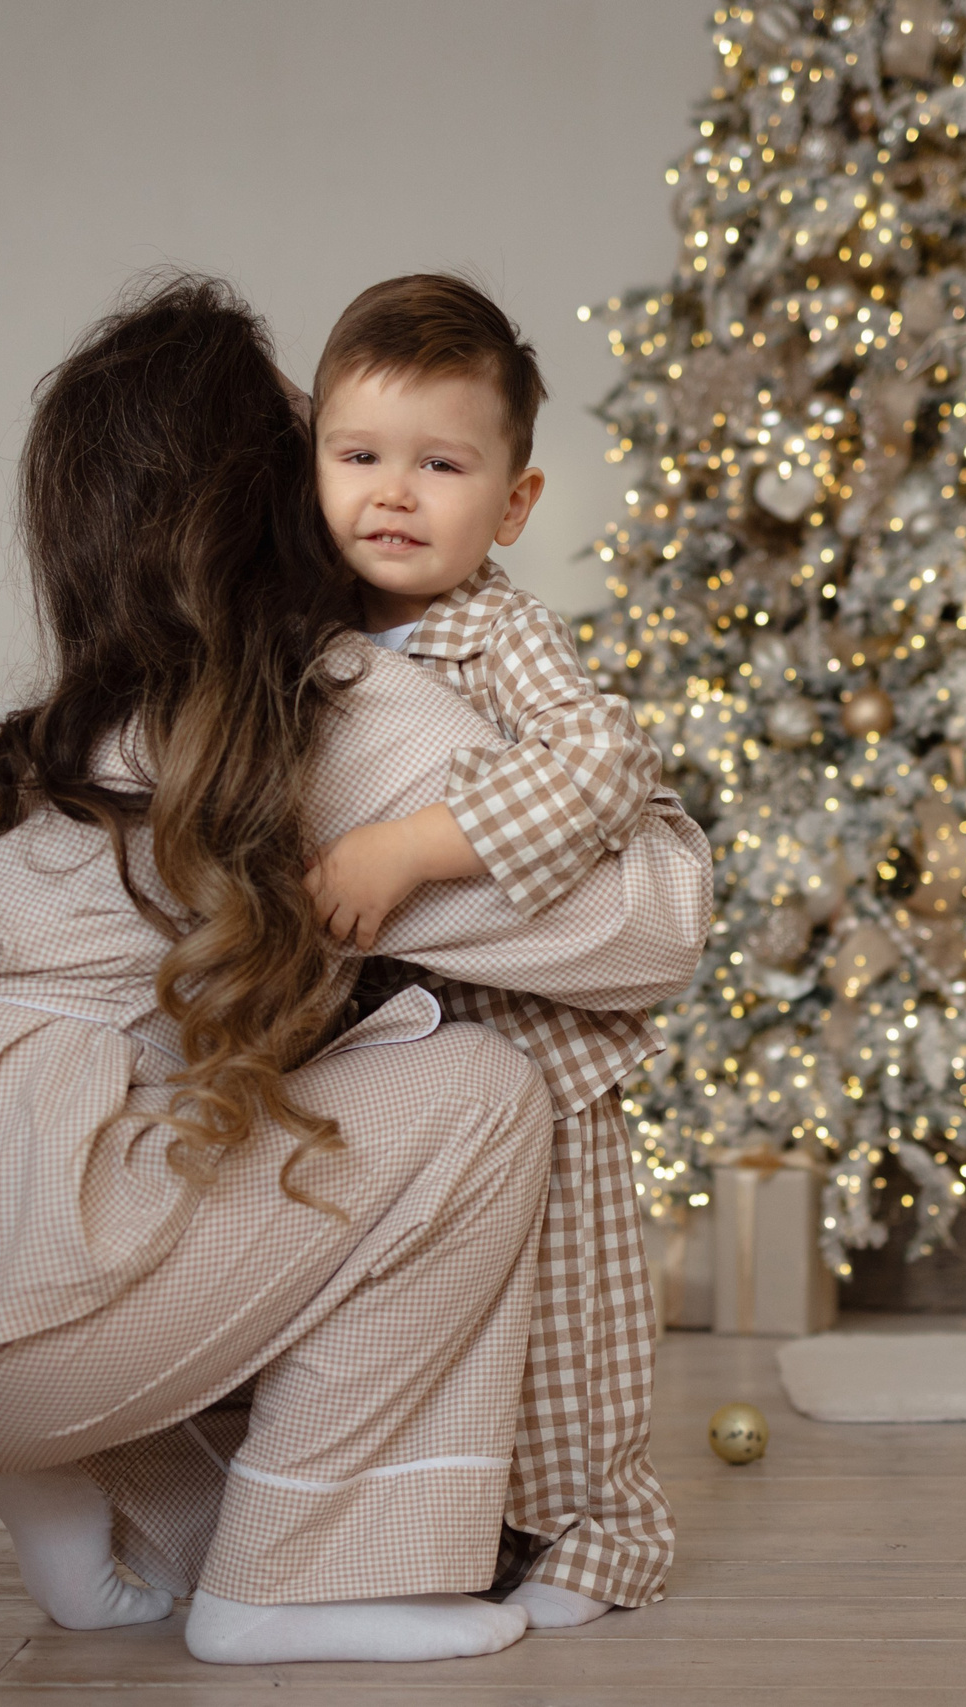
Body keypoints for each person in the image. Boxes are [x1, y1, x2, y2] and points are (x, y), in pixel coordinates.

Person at [0, 273, 710, 1667]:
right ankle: (300, 1580)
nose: (368, 486)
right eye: (327, 445)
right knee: (470, 1088)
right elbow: (657, 921)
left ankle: (100, 1497)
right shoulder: (317, 705)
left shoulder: (82, 712)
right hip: (17, 1313)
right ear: (263, 493)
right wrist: (427, 841)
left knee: (227, 1104)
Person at [297, 274, 682, 1627]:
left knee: (568, 1321)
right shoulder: (309, 635)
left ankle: (601, 1530)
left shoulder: (494, 631)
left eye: (441, 465)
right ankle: (454, 1521)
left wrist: (413, 850)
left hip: (534, 1046)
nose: (393, 494)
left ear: (512, 503)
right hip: (395, 1054)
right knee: (430, 1309)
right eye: (360, 457)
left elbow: (605, 757)